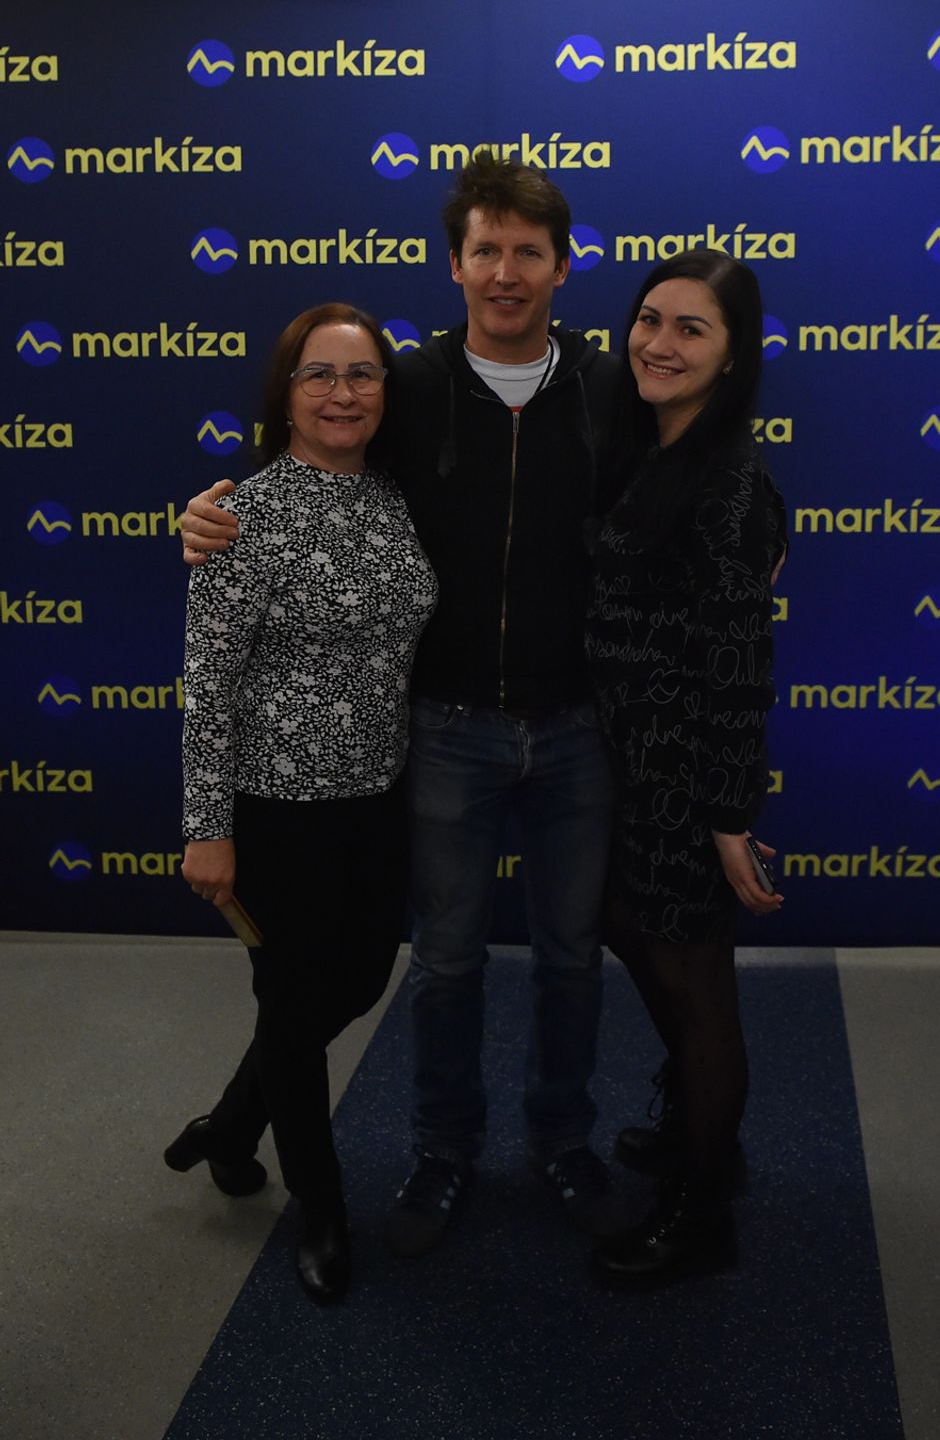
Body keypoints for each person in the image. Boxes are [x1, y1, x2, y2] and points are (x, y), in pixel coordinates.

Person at [179, 157, 629, 1256]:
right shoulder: (413, 383)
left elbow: (696, 462)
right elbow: (295, 476)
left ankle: (562, 1143)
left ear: (562, 267)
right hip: (446, 734)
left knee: (568, 958)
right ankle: (439, 1152)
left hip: (570, 728)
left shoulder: (606, 386)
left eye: (528, 252)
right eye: (486, 250)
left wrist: (759, 531)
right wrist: (201, 518)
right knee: (443, 964)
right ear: (454, 265)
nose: (506, 272)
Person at [170, 302, 437, 1303]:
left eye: (361, 374)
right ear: (285, 395)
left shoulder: (398, 498)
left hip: (378, 798)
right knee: (290, 1006)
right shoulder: (239, 517)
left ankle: (232, 1123)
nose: (342, 393)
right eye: (318, 374)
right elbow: (207, 689)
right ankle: (318, 1208)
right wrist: (207, 828)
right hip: (275, 808)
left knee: (356, 980)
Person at [584, 250, 787, 1283]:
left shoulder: (726, 485)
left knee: (697, 990)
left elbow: (737, 664)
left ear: (731, 355)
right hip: (627, 765)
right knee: (636, 936)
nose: (658, 343)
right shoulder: (649, 448)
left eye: (690, 329)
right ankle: (699, 1136)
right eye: (649, 319)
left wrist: (725, 813)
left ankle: (700, 1214)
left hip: (681, 778)